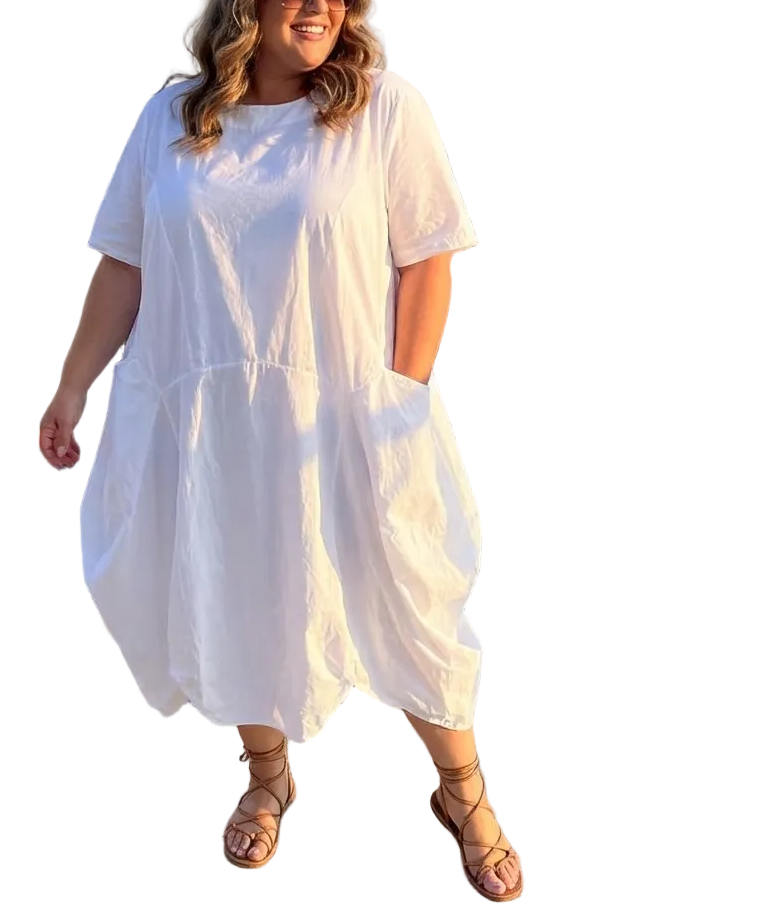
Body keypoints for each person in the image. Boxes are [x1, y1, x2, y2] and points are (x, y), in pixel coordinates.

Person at [39, 0, 522, 900]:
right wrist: (73, 384)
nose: (320, 6)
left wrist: (400, 398)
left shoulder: (381, 109)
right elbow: (126, 262)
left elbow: (429, 257)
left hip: (346, 415)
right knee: (236, 590)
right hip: (211, 426)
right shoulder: (173, 120)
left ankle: (462, 790)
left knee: (407, 599)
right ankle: (267, 775)